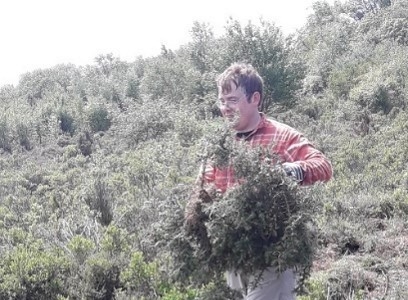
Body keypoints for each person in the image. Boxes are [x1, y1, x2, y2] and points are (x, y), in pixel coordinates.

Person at [185, 62, 333, 300]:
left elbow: (323, 166)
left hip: (274, 254)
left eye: (232, 100)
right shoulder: (219, 145)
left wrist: (291, 171)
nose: (225, 108)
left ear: (255, 98)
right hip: (234, 252)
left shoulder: (283, 136)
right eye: (221, 101)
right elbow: (206, 186)